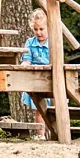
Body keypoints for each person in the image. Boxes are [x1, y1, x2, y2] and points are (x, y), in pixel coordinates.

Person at [21, 7, 50, 139]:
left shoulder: (53, 42)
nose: (38, 32)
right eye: (35, 29)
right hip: (36, 78)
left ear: (48, 27)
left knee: (53, 108)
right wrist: (25, 64)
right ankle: (41, 134)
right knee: (39, 108)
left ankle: (55, 131)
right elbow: (27, 59)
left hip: (49, 77)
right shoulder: (30, 43)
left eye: (41, 29)